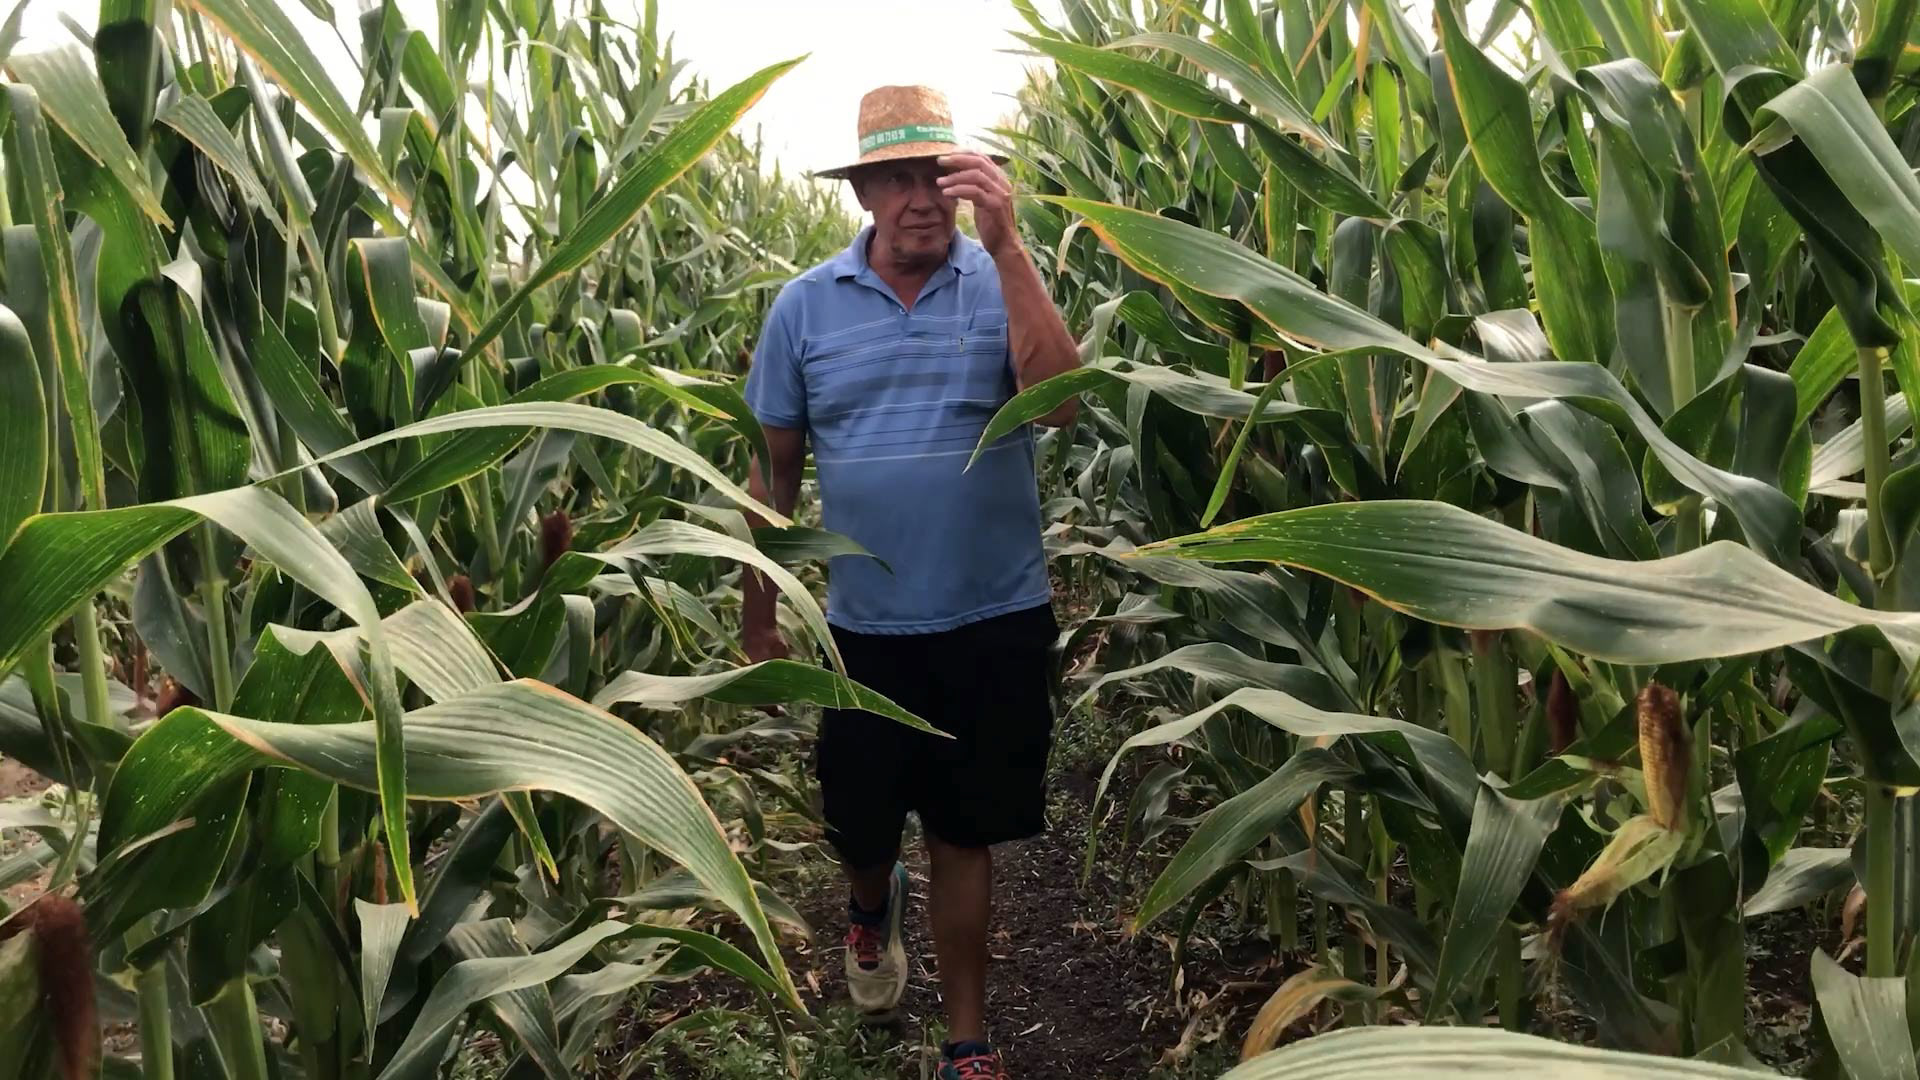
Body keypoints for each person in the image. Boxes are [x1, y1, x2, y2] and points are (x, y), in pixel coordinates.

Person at [739, 84, 1080, 1080]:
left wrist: (1011, 247)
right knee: (861, 824)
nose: (921, 197)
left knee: (966, 834)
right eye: (897, 178)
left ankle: (966, 1039)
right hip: (866, 629)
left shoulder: (998, 279)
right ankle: (866, 907)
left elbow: (1058, 405)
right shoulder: (805, 308)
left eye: (937, 174)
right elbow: (773, 472)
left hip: (995, 614)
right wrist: (759, 611)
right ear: (865, 193)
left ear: (966, 183)